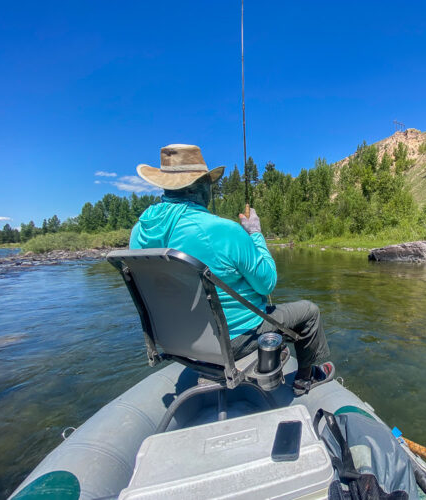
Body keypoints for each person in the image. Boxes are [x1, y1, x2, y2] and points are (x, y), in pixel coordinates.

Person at [129, 144, 334, 395]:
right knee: (309, 312)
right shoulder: (222, 230)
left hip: (174, 343)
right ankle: (305, 380)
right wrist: (255, 233)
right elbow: (267, 283)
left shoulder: (139, 231)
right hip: (232, 342)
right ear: (202, 185)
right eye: (209, 183)